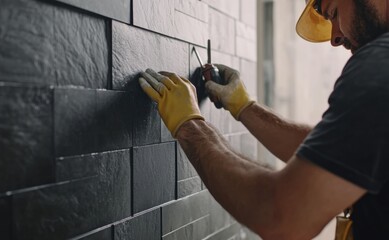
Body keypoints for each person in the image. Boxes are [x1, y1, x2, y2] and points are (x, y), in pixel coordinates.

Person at [138, 0, 389, 239]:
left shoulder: (379, 64)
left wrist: (188, 124)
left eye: (333, 13)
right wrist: (244, 107)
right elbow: (341, 152)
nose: (335, 37)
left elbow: (282, 217)